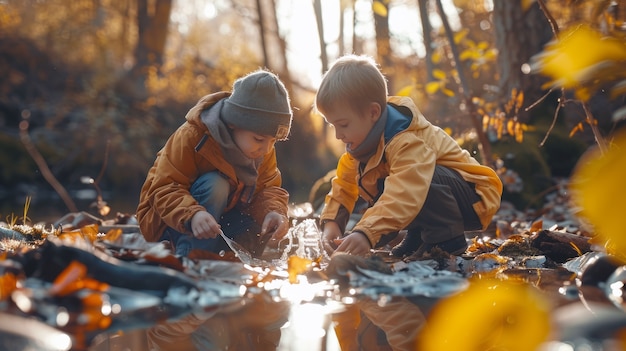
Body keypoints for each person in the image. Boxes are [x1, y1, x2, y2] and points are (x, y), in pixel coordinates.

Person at [315, 54, 503, 259]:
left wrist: (365, 233)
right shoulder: (362, 150)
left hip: (475, 195)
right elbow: (343, 186)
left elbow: (405, 191)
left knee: (408, 180)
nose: (338, 135)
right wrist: (332, 224)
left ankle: (446, 239)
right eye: (332, 125)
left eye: (343, 125)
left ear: (373, 113)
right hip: (438, 192)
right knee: (385, 182)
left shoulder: (406, 139)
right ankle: (421, 236)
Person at [136, 69, 293, 259]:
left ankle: (224, 259)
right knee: (216, 184)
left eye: (273, 141)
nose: (267, 148)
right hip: (171, 222)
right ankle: (189, 259)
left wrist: (273, 212)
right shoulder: (193, 136)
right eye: (259, 139)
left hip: (220, 216)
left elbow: (268, 188)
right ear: (234, 123)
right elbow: (163, 187)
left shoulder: (261, 148)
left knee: (252, 236)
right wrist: (193, 215)